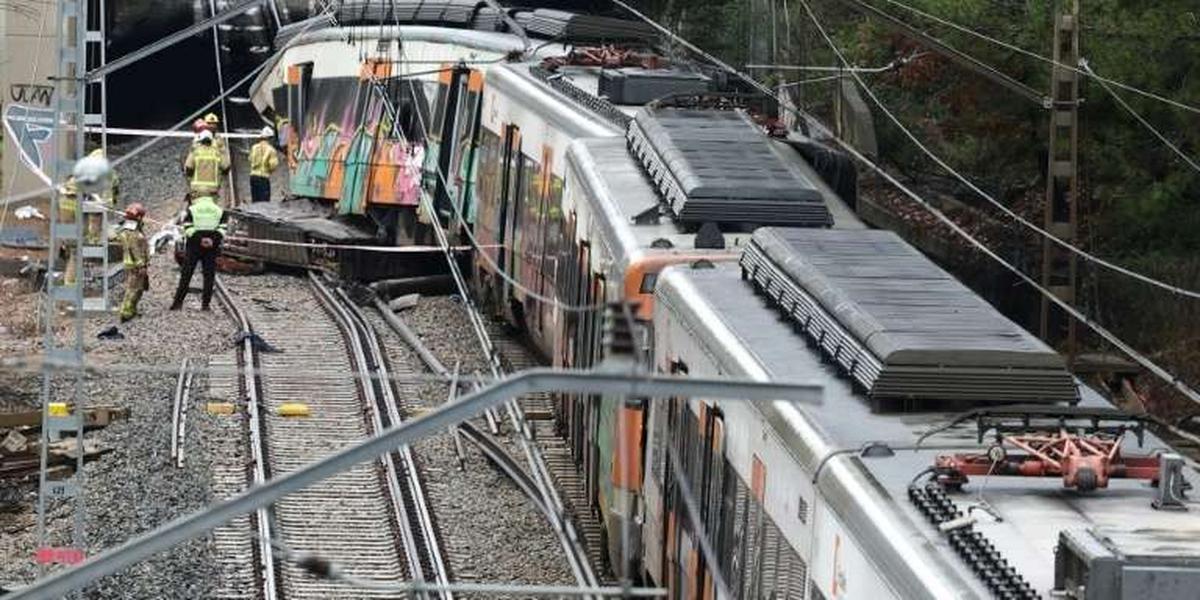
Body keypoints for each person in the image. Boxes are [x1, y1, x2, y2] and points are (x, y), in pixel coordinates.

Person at [170, 194, 226, 311]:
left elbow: (187, 227)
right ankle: (205, 305)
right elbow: (223, 228)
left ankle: (177, 303)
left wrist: (200, 239)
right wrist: (212, 240)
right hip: (212, 247)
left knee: (186, 274)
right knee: (209, 276)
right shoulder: (219, 210)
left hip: (194, 246)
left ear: (197, 200)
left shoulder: (192, 209)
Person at [114, 203, 149, 322]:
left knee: (137, 288)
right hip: (135, 265)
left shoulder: (127, 228)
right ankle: (126, 312)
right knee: (133, 289)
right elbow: (135, 249)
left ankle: (131, 309)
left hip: (132, 263)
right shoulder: (133, 231)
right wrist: (141, 265)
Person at [184, 130, 229, 197]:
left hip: (197, 189)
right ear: (211, 141)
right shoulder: (217, 153)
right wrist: (220, 177)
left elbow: (189, 167)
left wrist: (190, 179)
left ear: (201, 141)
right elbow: (226, 167)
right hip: (213, 189)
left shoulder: (195, 152)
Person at [249, 126, 279, 203]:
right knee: (264, 202)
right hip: (263, 178)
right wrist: (269, 171)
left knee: (255, 201)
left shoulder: (254, 147)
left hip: (253, 177)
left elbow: (250, 159)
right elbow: (273, 165)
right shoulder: (271, 150)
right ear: (270, 138)